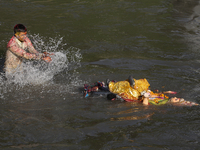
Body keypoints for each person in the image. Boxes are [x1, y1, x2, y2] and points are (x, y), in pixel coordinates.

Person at [84, 76, 199, 106]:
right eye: (178, 98)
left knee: (122, 93)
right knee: (131, 87)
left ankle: (96, 90)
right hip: (142, 95)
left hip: (135, 99)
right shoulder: (164, 98)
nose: (177, 98)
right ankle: (106, 86)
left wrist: (146, 97)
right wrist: (168, 92)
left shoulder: (160, 104)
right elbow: (159, 94)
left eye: (177, 100)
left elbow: (145, 105)